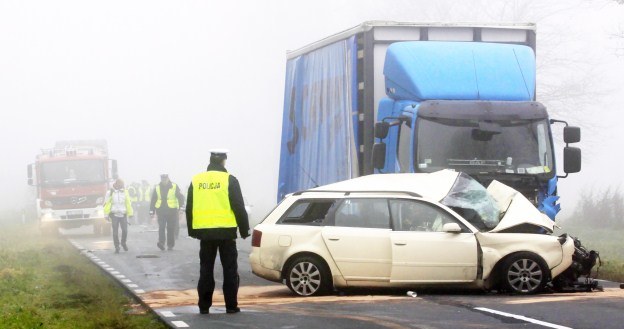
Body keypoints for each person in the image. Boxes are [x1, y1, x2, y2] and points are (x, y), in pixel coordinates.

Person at [186, 149, 250, 315]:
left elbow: (189, 208)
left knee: (206, 269)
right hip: (226, 233)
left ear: (210, 160)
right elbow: (239, 207)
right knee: (229, 270)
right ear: (224, 161)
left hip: (205, 234)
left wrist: (192, 230)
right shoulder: (229, 180)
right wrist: (244, 230)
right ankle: (231, 306)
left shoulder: (196, 180)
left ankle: (204, 306)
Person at [150, 174, 185, 251]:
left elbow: (180, 197)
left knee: (170, 228)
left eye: (165, 178)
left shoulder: (175, 186)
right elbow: (153, 199)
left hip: (172, 211)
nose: (164, 180)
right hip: (161, 211)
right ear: (161, 179)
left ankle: (170, 245)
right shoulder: (157, 187)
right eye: (162, 178)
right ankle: (161, 243)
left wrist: (181, 208)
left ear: (168, 178)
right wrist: (151, 211)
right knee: (161, 227)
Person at [103, 179, 134, 254]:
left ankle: (123, 242)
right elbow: (106, 204)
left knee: (125, 230)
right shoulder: (110, 192)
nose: (121, 186)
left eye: (122, 185)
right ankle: (117, 246)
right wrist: (106, 215)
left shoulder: (125, 192)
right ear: (116, 184)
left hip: (123, 214)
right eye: (120, 185)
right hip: (114, 215)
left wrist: (130, 213)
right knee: (115, 232)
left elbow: (128, 203)